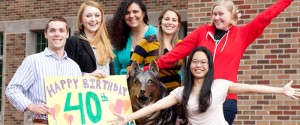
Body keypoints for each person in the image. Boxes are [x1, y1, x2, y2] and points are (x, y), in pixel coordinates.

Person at [143, 0, 295, 124]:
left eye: (221, 14)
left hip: (226, 100)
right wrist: (146, 70)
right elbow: (176, 53)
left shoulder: (242, 35)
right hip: (198, 98)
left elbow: (266, 17)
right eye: (214, 14)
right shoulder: (202, 32)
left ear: (232, 15)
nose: (216, 18)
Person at [109, 46, 300, 125]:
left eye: (203, 62)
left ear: (209, 66)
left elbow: (250, 87)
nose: (198, 66)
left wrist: (281, 90)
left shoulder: (220, 85)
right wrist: (127, 117)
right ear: (189, 65)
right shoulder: (181, 92)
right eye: (195, 62)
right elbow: (155, 106)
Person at [6, 16, 82, 125]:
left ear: (67, 34)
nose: (57, 34)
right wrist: (32, 107)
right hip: (42, 122)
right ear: (46, 34)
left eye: (61, 30)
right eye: (52, 30)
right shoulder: (33, 61)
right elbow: (12, 89)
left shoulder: (74, 67)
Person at [128, 8, 183, 91]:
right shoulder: (147, 41)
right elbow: (131, 68)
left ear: (178, 25)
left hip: (175, 95)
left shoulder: (181, 44)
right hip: (153, 95)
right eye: (167, 19)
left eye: (174, 20)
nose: (170, 23)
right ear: (160, 23)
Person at [65, 0, 114, 77]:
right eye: (88, 16)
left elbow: (112, 75)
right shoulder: (73, 42)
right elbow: (67, 73)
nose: (93, 19)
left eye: (97, 15)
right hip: (84, 88)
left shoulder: (106, 42)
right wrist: (88, 75)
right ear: (81, 20)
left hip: (106, 88)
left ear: (101, 19)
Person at [108, 0, 157, 75]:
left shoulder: (156, 34)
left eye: (135, 12)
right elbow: (116, 69)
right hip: (124, 83)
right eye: (127, 13)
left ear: (143, 13)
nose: (131, 15)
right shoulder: (118, 36)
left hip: (149, 84)